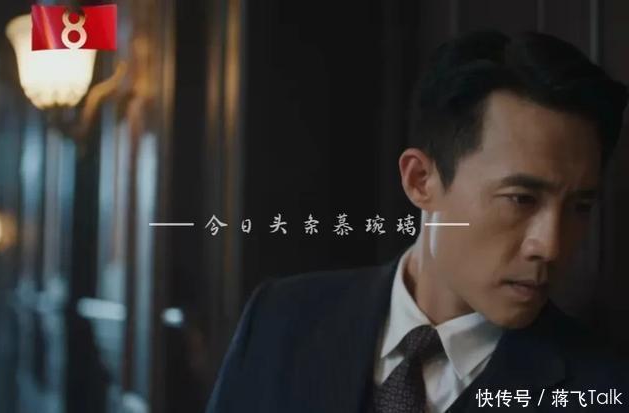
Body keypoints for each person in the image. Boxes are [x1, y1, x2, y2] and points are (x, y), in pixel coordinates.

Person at [206, 31, 628, 413]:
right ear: (420, 180)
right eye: (521, 199)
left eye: (579, 206)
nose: (550, 246)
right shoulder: (280, 319)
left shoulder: (603, 392)